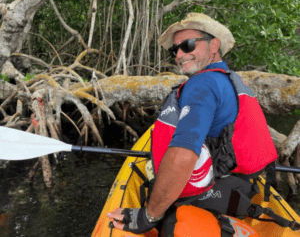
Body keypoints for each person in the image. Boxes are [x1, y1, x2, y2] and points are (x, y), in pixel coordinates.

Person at [107, 13, 277, 236]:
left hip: (212, 196)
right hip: (240, 190)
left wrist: (149, 215)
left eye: (187, 46)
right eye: (174, 50)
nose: (179, 54)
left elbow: (184, 154)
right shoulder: (228, 79)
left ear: (213, 45)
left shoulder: (202, 84)